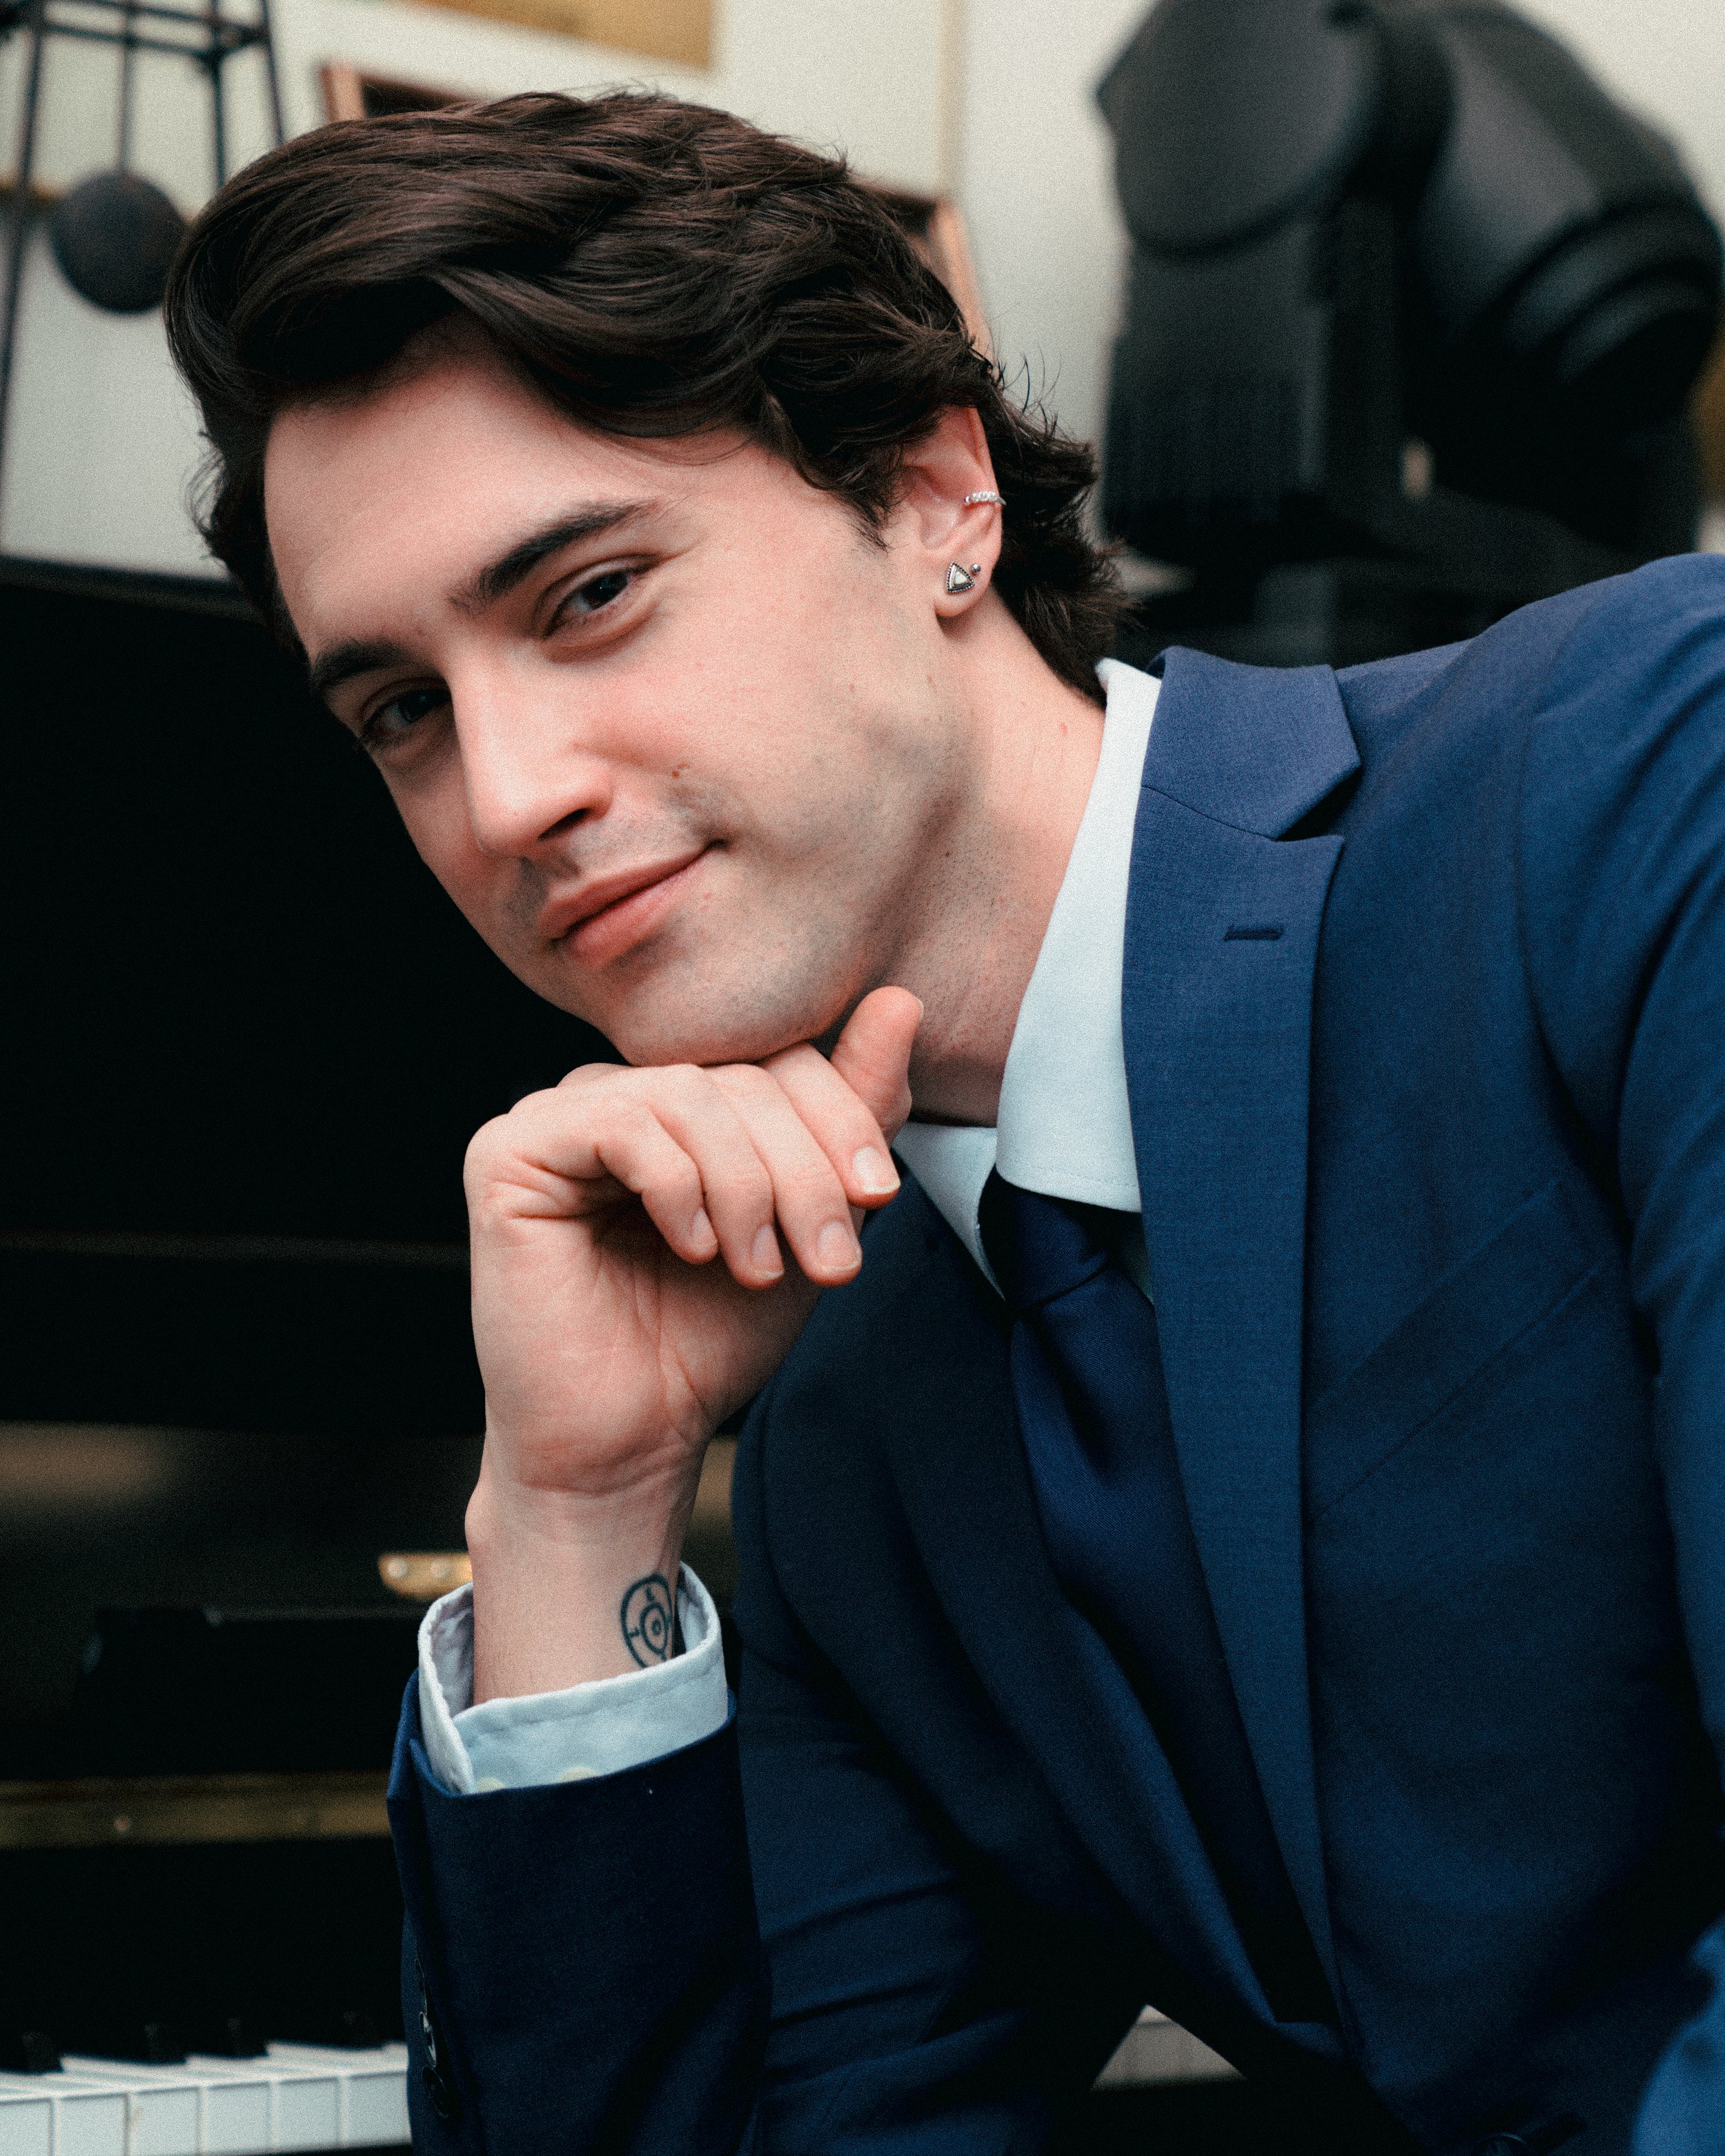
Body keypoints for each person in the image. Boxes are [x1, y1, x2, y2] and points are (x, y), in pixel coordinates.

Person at [164, 89, 1725, 2156]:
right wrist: (574, 1512)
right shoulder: (844, 1447)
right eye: (401, 713)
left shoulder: (1645, 783)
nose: (505, 791)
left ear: (930, 496)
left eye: (588, 594)